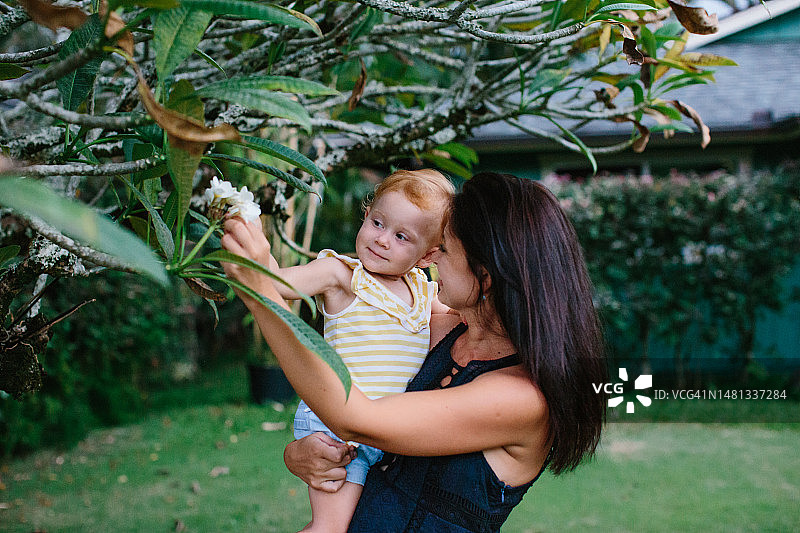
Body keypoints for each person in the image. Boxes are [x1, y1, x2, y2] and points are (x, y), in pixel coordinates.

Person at [222, 172, 607, 532]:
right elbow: (361, 416)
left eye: (446, 249)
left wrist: (262, 298)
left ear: (484, 276)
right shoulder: (442, 330)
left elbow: (356, 417)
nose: (432, 258)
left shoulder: (521, 399)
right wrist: (305, 454)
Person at [260, 169, 455, 532]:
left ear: (428, 256)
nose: (382, 240)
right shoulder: (342, 275)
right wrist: (252, 245)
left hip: (384, 434)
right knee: (329, 527)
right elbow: (276, 284)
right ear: (366, 215)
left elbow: (463, 321)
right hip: (336, 430)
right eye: (378, 222)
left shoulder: (423, 292)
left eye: (401, 236)